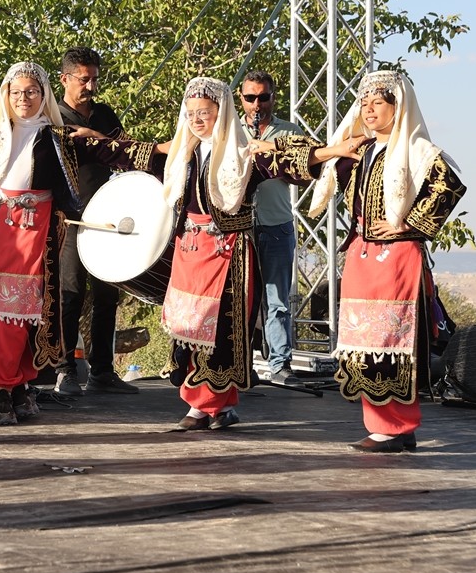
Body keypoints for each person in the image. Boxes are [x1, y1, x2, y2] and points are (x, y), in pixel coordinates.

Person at [80, 76, 356, 431]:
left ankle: (205, 405)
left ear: (221, 112)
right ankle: (216, 407)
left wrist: (332, 150)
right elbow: (133, 152)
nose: (197, 119)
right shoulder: (182, 153)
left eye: (205, 112)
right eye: (191, 113)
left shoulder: (244, 154)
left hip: (229, 255)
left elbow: (291, 160)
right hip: (190, 252)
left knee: (220, 331)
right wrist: (96, 141)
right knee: (189, 328)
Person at [0, 61, 141, 426]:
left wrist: (180, 145)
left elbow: (122, 153)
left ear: (44, 95)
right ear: (7, 95)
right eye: (17, 92)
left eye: (31, 92)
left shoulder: (60, 136)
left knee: (32, 311)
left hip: (36, 229)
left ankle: (20, 383)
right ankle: (2, 389)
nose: (23, 99)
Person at [304, 70, 465, 453]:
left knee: (393, 339)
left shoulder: (416, 148)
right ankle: (381, 424)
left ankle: (399, 426)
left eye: (379, 102)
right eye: (365, 103)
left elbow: (450, 185)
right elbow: (323, 171)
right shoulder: (359, 150)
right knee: (363, 338)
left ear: (398, 107)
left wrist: (409, 225)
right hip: (361, 254)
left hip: (396, 258)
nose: (370, 109)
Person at [52, 46, 137, 397]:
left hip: (106, 217)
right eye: (84, 79)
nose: (90, 86)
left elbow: (126, 153)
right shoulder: (52, 115)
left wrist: (100, 139)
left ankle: (102, 370)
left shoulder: (104, 114)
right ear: (65, 79)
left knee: (106, 296)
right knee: (70, 294)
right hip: (70, 220)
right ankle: (64, 368)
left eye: (94, 79)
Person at [238, 71, 305, 385]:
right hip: (238, 227)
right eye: (250, 97)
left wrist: (270, 151)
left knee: (276, 300)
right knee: (240, 300)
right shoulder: (230, 131)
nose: (256, 104)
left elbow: (302, 172)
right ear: (241, 99)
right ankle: (240, 364)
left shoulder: (289, 132)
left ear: (273, 98)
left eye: (263, 97)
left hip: (276, 225)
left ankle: (280, 365)